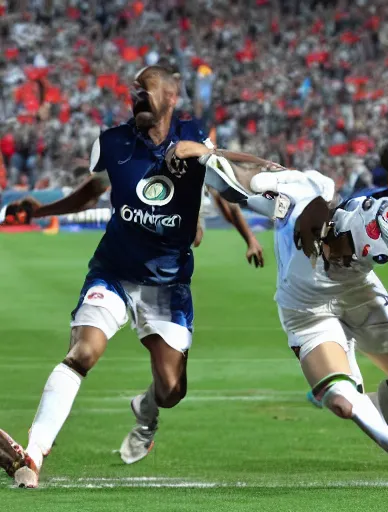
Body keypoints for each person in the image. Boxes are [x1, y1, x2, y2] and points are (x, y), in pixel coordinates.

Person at [0, 65, 269, 489]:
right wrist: (40, 211)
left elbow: (250, 177)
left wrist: (203, 155)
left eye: (145, 88)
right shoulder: (113, 143)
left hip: (168, 283)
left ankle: (147, 409)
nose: (135, 94)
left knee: (171, 390)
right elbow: (91, 191)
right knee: (82, 353)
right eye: (132, 90)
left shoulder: (195, 140)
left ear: (170, 97)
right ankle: (32, 456)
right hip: (114, 273)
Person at [201, 131, 388, 491]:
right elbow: (235, 187)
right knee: (341, 400)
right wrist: (203, 157)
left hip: (360, 294)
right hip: (307, 306)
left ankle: (365, 404)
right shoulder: (302, 192)